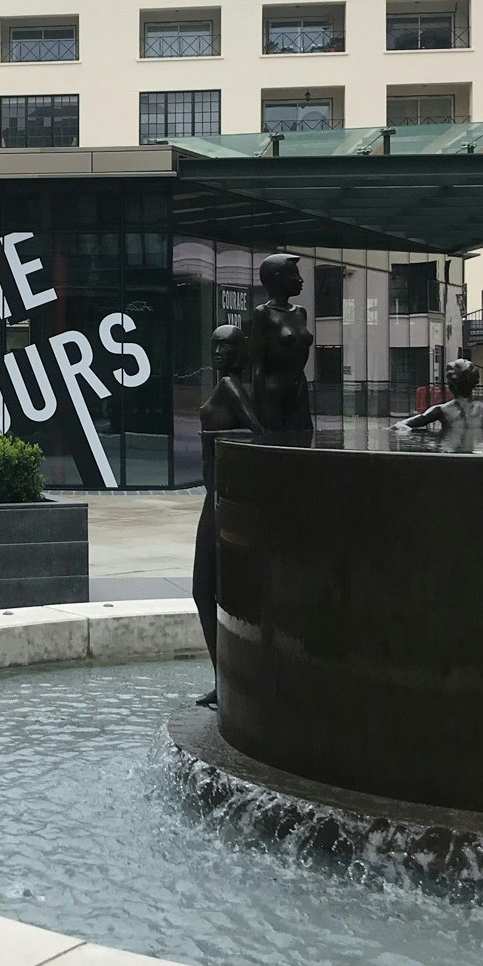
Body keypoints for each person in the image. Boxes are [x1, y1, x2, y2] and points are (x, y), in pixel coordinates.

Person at [193, 325, 262, 708]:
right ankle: (226, 680)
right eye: (215, 344)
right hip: (215, 494)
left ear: (240, 352)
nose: (219, 351)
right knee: (207, 589)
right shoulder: (228, 387)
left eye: (228, 346)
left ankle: (228, 681)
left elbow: (259, 433)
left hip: (221, 495)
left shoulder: (230, 389)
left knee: (206, 589)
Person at [240, 253, 315, 447]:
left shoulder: (300, 312)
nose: (300, 280)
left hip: (299, 393)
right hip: (272, 395)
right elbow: (256, 365)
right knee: (274, 449)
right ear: (277, 278)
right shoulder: (263, 313)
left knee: (303, 447)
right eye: (293, 275)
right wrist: (258, 410)